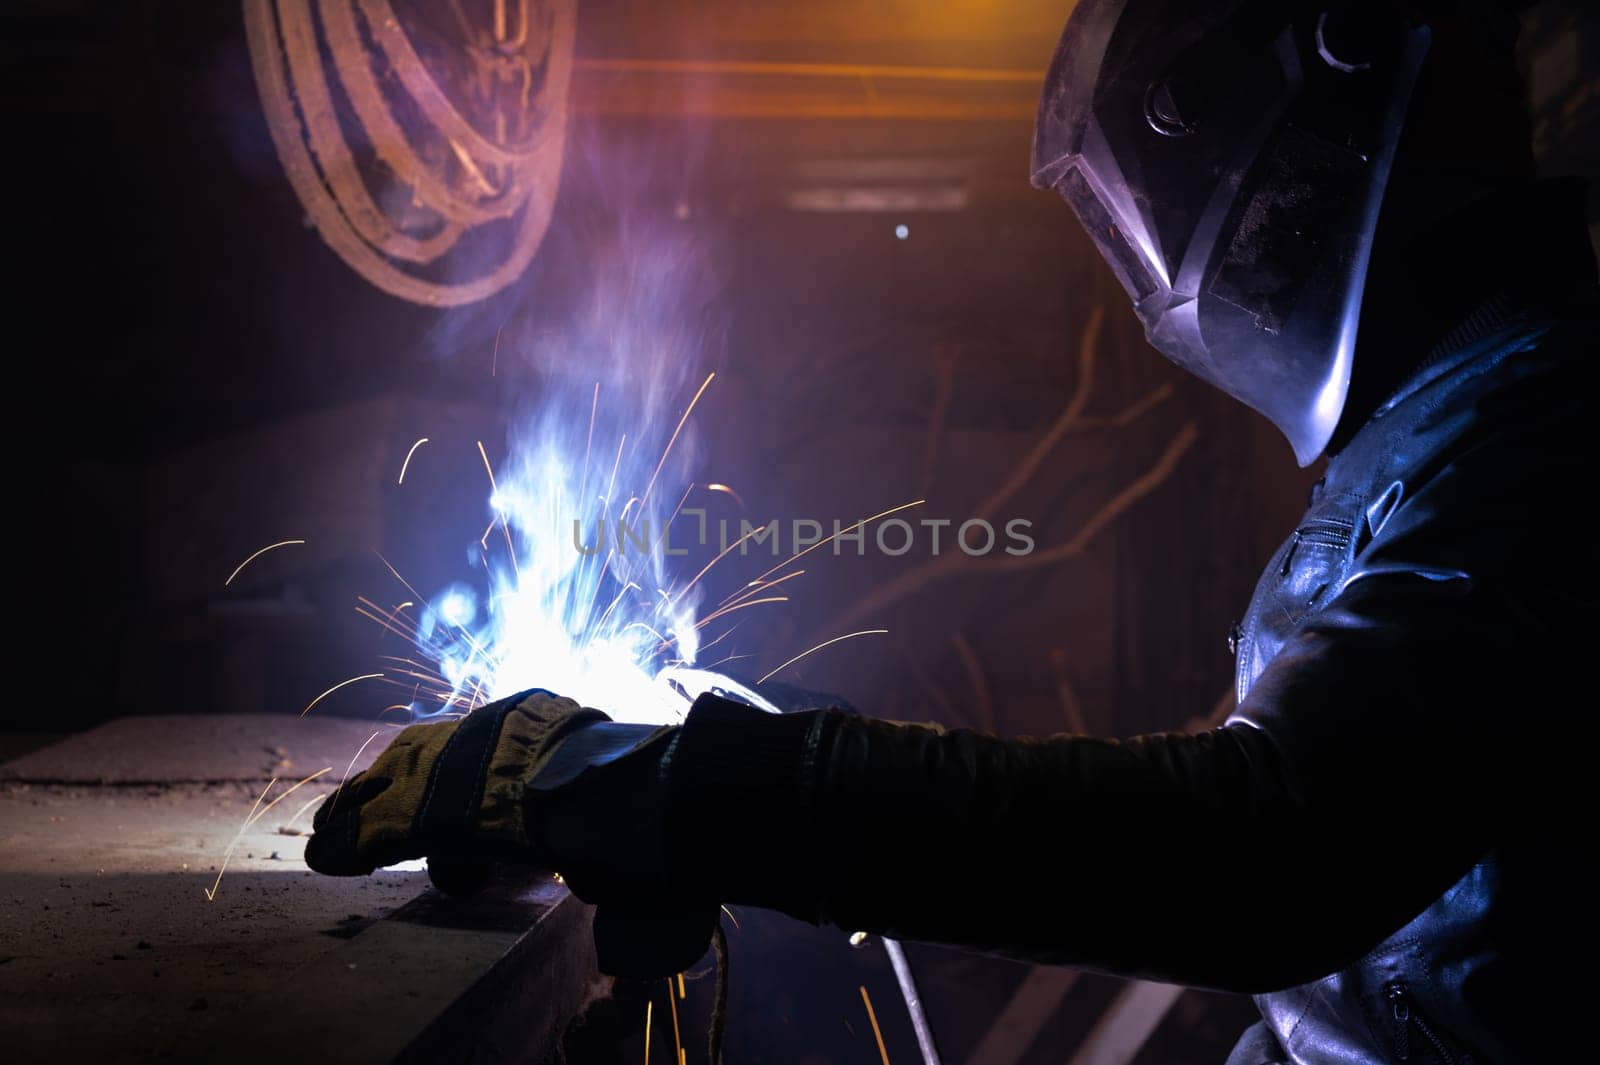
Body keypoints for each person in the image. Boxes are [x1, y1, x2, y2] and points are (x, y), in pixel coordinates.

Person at [305, 2, 1595, 1061]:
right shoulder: (1452, 418)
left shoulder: (1545, 430)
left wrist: (687, 791)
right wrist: (751, 745)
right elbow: (1328, 946)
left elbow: (1259, 853)